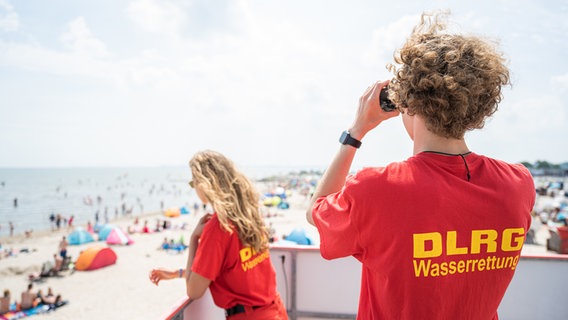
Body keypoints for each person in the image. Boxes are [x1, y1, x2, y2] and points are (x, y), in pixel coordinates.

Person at [306, 11, 536, 320]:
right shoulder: (518, 183)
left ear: (409, 101)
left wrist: (356, 132)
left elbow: (316, 210)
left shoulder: (377, 188)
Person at [149, 150, 287, 319]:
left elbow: (193, 291)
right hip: (274, 309)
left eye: (194, 183)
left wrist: (194, 239)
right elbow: (232, 269)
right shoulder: (246, 214)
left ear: (204, 184)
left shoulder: (218, 228)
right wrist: (177, 273)